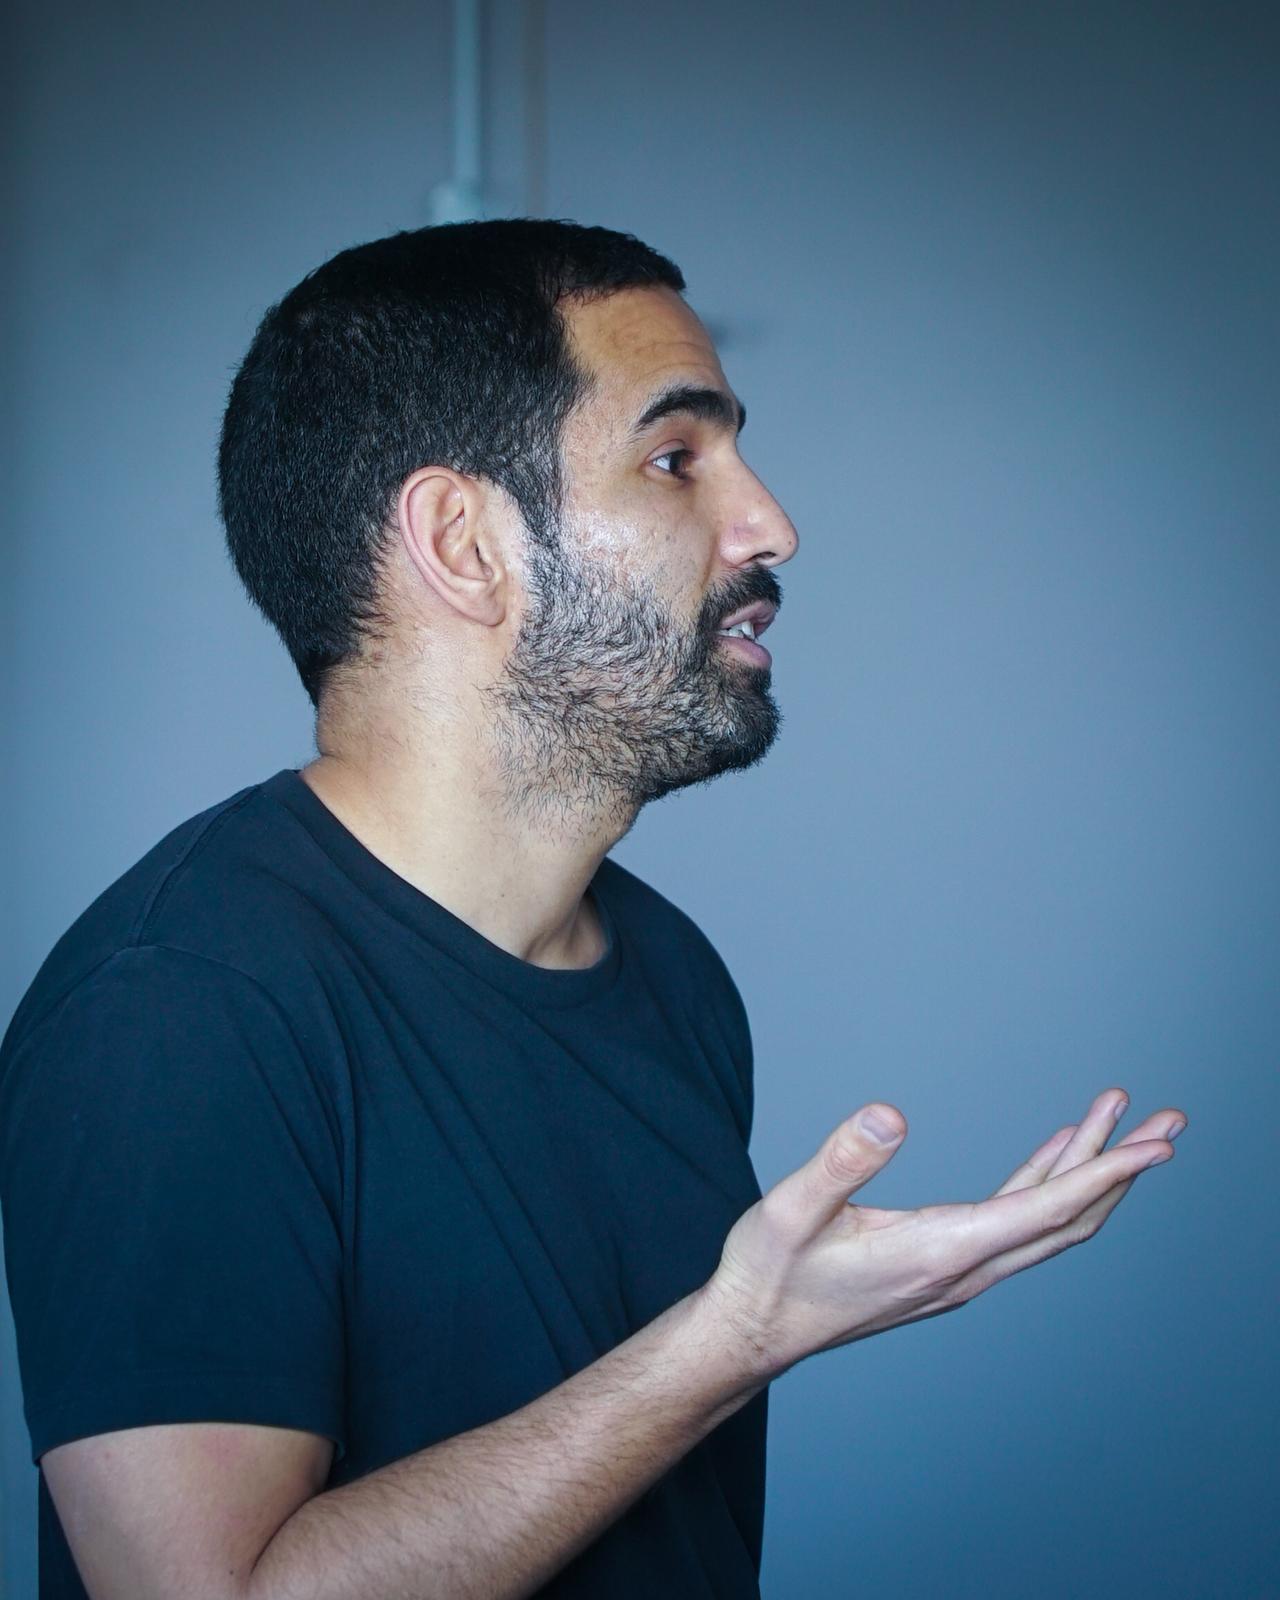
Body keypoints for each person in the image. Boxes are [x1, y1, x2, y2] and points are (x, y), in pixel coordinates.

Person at [0, 218, 1187, 1600]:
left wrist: (747, 1330)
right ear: (463, 542)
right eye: (677, 458)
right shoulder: (177, 1010)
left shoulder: (672, 970)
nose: (771, 526)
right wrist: (735, 1338)